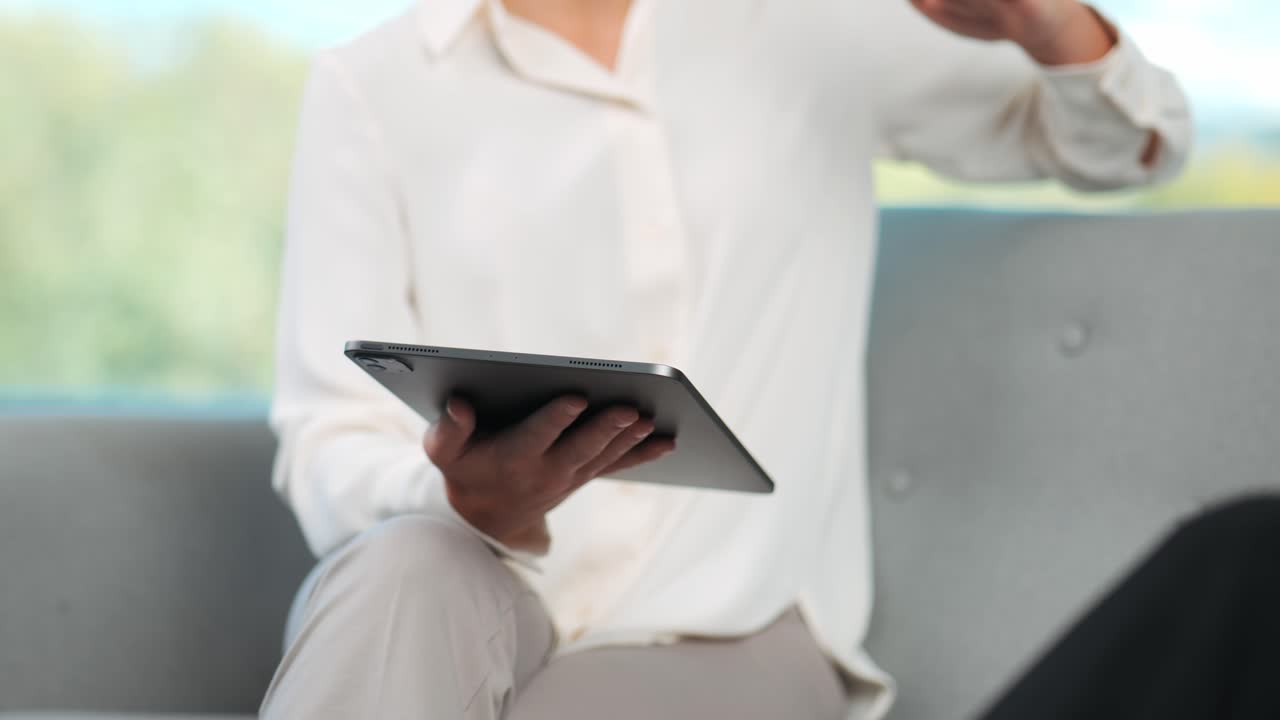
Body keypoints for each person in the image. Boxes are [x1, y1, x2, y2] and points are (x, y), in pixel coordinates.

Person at [257, 0, 1266, 718]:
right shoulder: (373, 85)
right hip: (475, 583)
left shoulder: (807, 24)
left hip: (726, 629)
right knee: (400, 567)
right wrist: (470, 501)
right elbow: (327, 440)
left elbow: (1127, 144)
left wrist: (1055, 25)